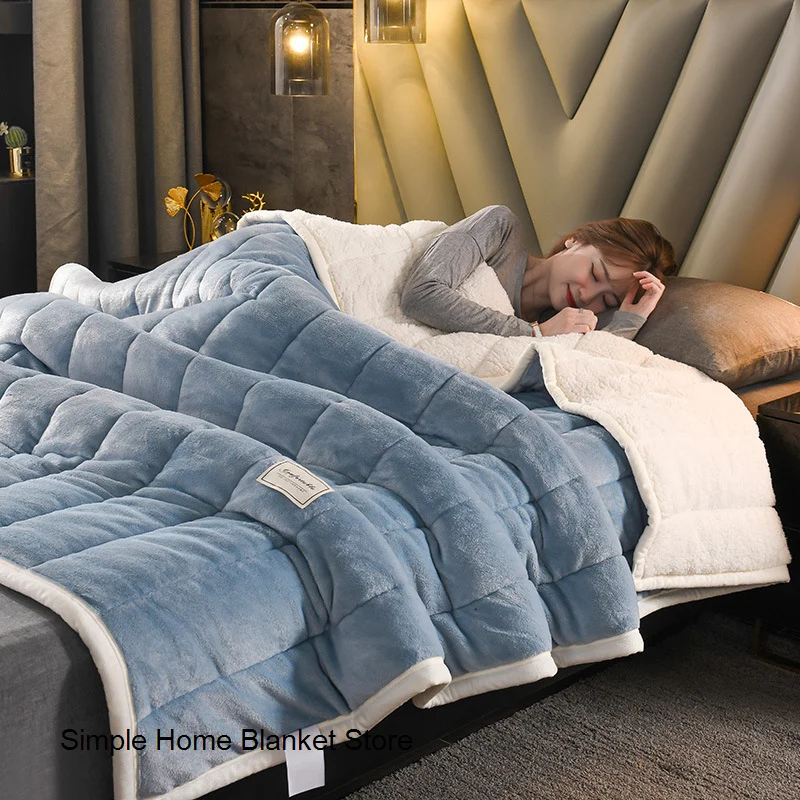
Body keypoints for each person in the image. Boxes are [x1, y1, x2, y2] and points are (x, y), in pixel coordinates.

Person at [400, 205, 677, 339]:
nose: (587, 296)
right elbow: (421, 294)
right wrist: (534, 332)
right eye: (595, 274)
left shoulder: (561, 330)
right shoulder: (501, 229)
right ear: (576, 240)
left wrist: (628, 321)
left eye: (605, 300)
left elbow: (585, 373)